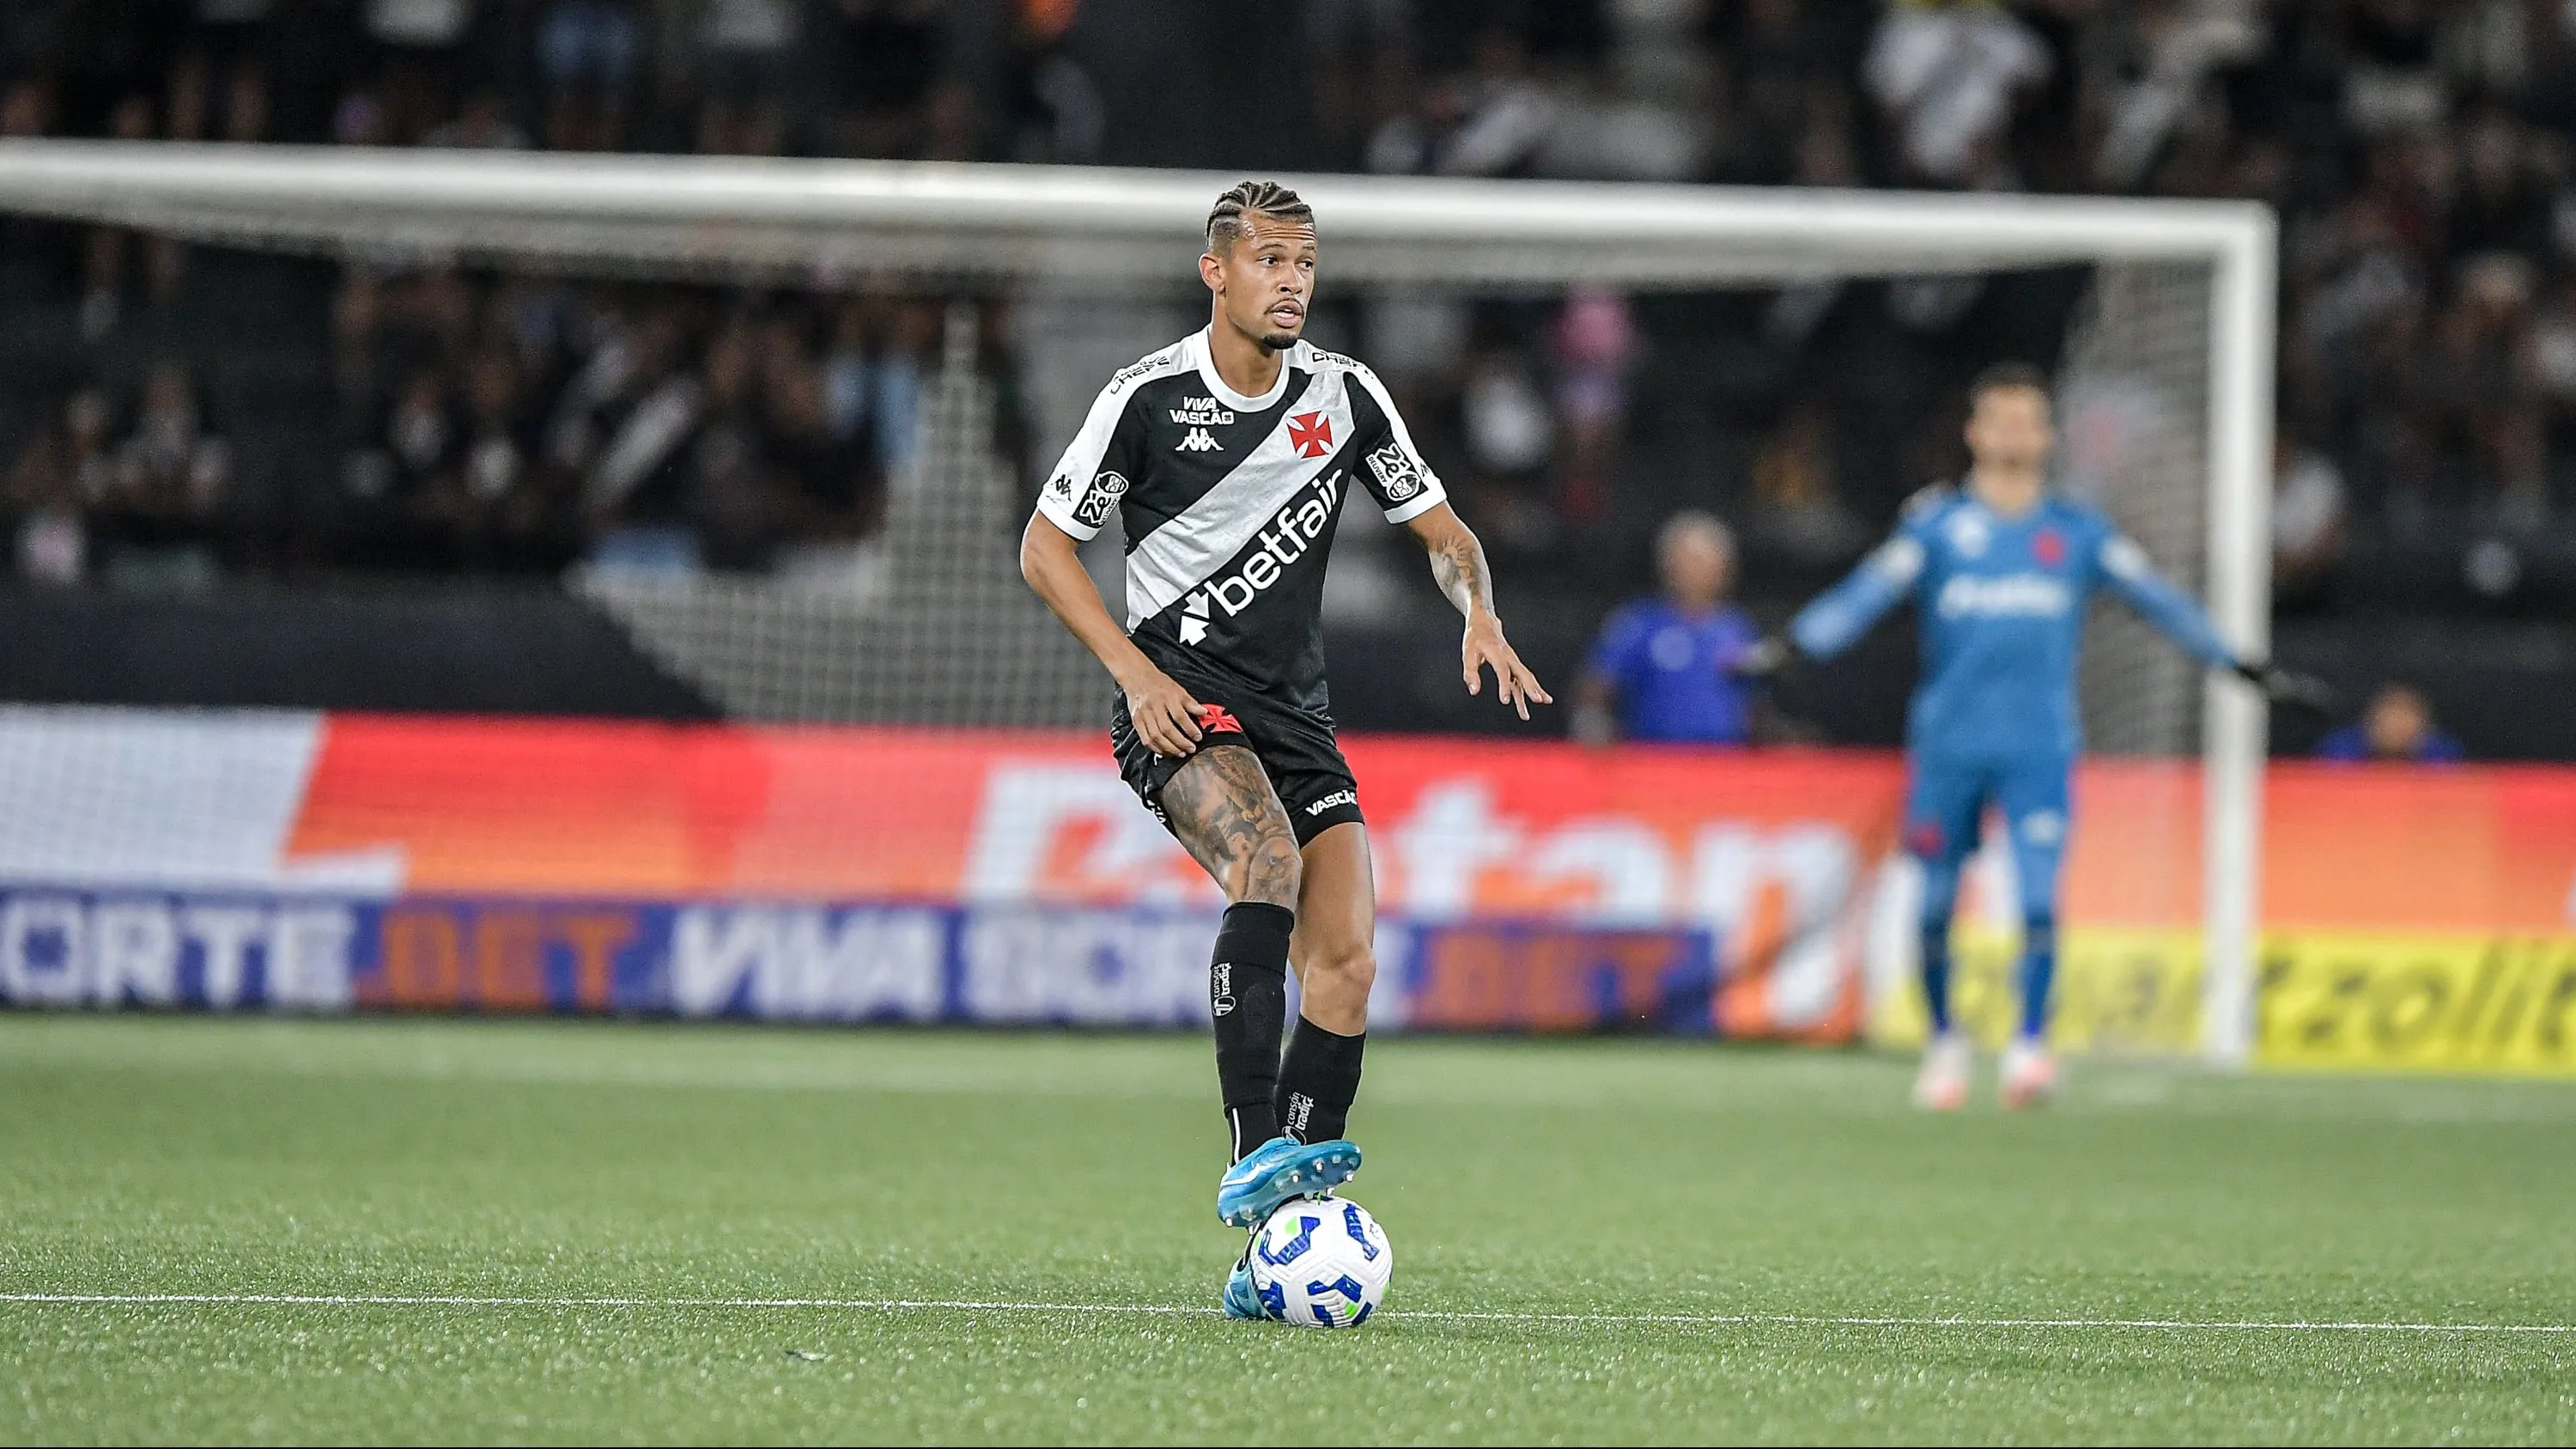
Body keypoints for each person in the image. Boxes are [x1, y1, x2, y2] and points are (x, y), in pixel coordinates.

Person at [1018, 180, 1550, 1318]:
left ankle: (1279, 1245)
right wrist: (1136, 672)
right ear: (1217, 271)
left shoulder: (1348, 398)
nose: (1293, 282)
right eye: (1269, 261)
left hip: (1296, 717)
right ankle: (1253, 1145)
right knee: (1267, 857)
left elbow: (1442, 530)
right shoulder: (1148, 402)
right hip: (1181, 703)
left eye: (1305, 263)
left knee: (1349, 961)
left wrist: (1479, 607)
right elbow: (1044, 549)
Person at [1741, 362, 2330, 1111]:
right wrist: (1794, 645)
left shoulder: (2076, 533)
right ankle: (1946, 1042)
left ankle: (2029, 1048)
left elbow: (2159, 600)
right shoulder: (1938, 527)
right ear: (1975, 433)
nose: (2017, 433)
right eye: (2002, 420)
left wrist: (2239, 662)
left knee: (2042, 901)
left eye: (2030, 421)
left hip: (2039, 745)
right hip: (1948, 744)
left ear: (2049, 437)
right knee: (1934, 903)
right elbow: (1865, 595)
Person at [1576, 511, 1763, 746]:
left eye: (1709, 561)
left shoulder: (1737, 626)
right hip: (1653, 761)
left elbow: (1754, 701)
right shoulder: (1639, 623)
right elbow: (1596, 686)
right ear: (1668, 564)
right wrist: (1593, 726)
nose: (1699, 571)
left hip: (1724, 763)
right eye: (1692, 560)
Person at [2317, 683, 2464, 764]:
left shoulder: (2442, 752)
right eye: (2389, 713)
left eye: (2405, 714)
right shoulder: (2341, 746)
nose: (2395, 724)